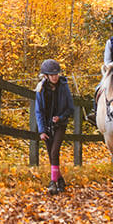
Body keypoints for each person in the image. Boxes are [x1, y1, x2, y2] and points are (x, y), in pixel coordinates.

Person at [34, 58, 75, 195]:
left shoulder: (64, 86)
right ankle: (60, 180)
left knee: (54, 152)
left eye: (56, 74)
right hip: (46, 126)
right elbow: (38, 111)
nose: (55, 77)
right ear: (46, 76)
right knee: (51, 155)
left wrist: (61, 118)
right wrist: (41, 130)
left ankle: (52, 183)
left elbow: (70, 108)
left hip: (60, 125)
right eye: (52, 75)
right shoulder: (40, 89)